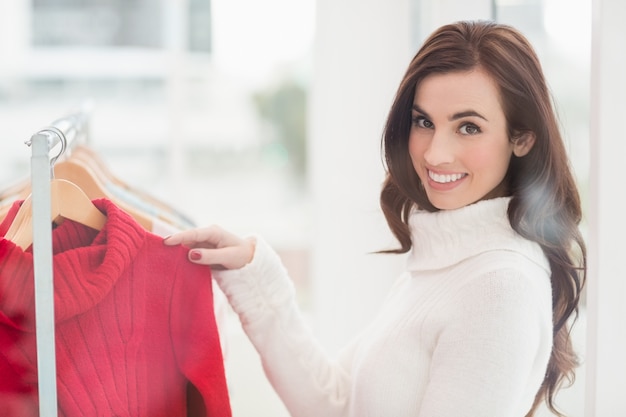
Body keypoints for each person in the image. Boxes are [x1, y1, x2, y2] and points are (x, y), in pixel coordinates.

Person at [164, 20, 586, 417]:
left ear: (522, 138)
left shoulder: (498, 286)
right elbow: (336, 404)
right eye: (424, 122)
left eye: (468, 128)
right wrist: (254, 273)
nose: (435, 153)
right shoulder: (448, 262)